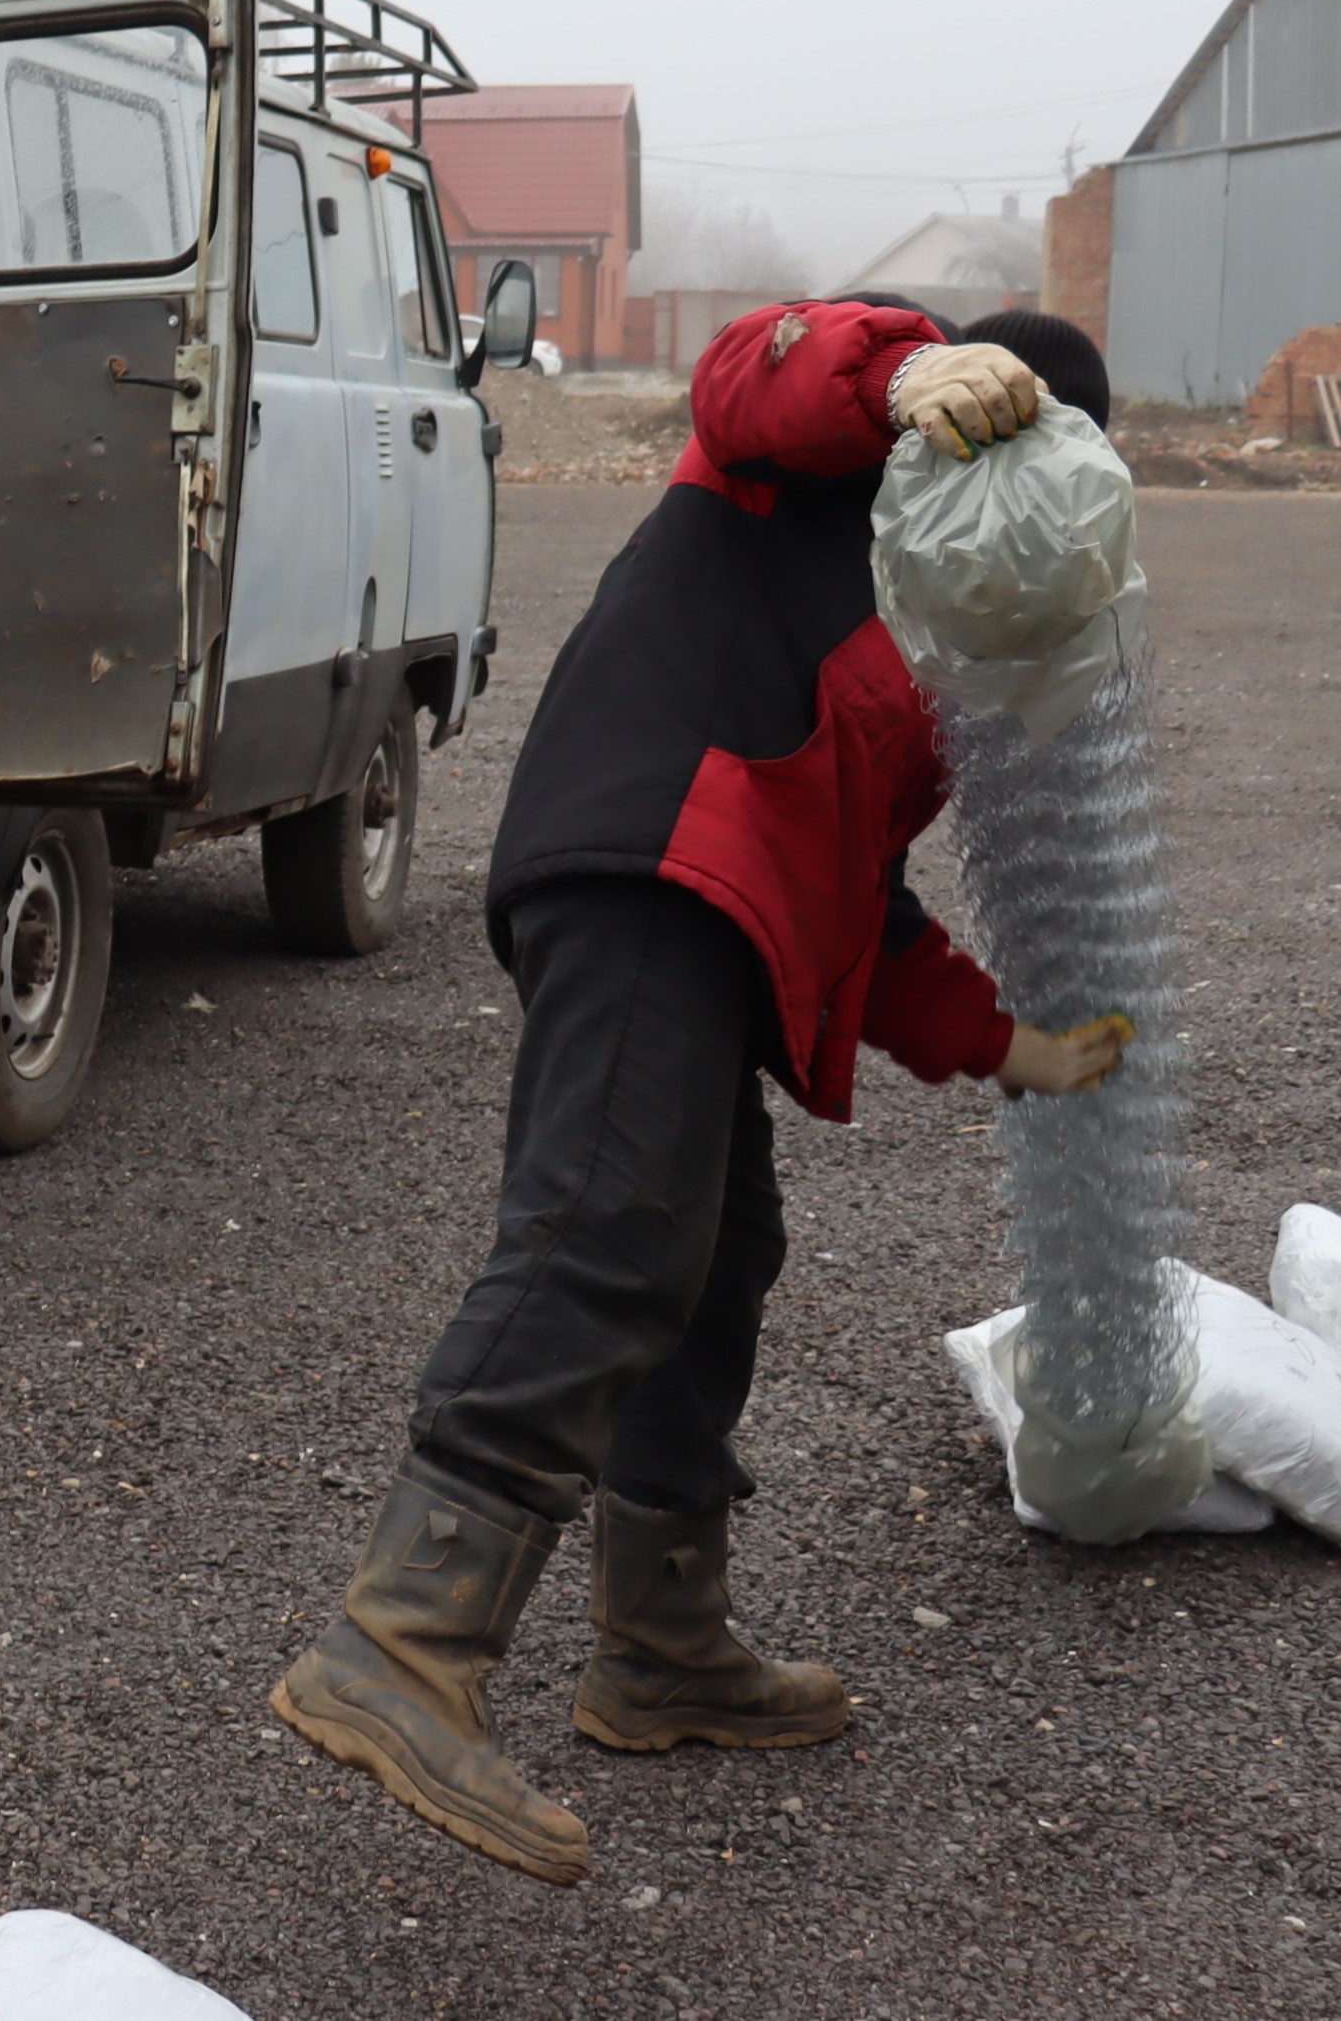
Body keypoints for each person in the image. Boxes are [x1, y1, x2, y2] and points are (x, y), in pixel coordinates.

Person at [270, 297, 1136, 1885]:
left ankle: (657, 1644)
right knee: (609, 1224)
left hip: (719, 908)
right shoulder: (809, 453)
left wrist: (1003, 1045)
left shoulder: (924, 614)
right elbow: (754, 371)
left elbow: (859, 895)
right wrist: (908, 372)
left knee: (709, 1257)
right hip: (641, 859)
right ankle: (400, 1638)